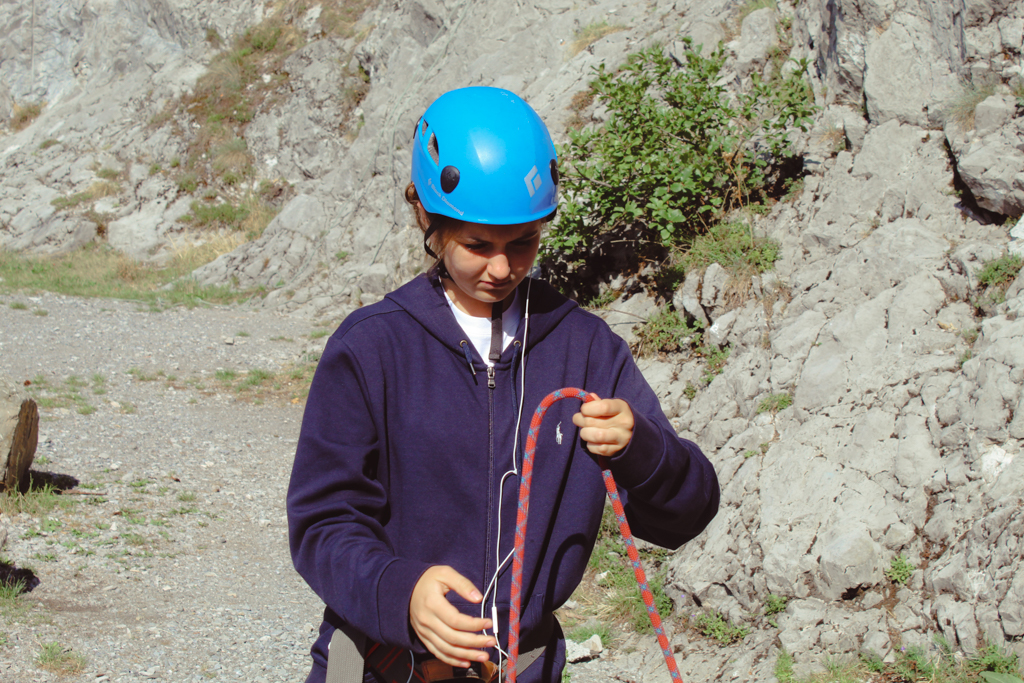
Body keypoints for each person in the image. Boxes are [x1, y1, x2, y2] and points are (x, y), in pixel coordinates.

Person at [287, 86, 719, 683]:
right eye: (476, 245)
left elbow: (686, 512)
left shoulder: (586, 349)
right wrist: (401, 593)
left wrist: (640, 446)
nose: (500, 269)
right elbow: (321, 522)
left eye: (523, 244)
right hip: (382, 666)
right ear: (426, 219)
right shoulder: (371, 347)